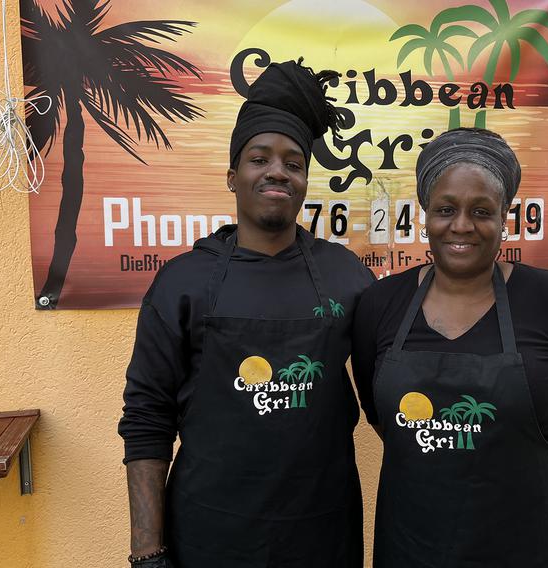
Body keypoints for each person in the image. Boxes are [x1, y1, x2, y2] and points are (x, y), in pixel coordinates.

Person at [118, 59, 373, 568]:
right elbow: (146, 419)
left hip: (322, 531)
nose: (277, 171)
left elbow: (390, 393)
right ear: (233, 176)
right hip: (210, 532)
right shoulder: (182, 282)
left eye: (293, 163)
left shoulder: (348, 276)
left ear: (303, 181)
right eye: (260, 158)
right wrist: (147, 552)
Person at [351, 128, 548, 567]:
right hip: (417, 544)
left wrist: (539, 480)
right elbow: (380, 415)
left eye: (481, 210)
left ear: (504, 217)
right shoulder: (380, 305)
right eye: (446, 209)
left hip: (536, 543)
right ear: (425, 215)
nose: (461, 225)